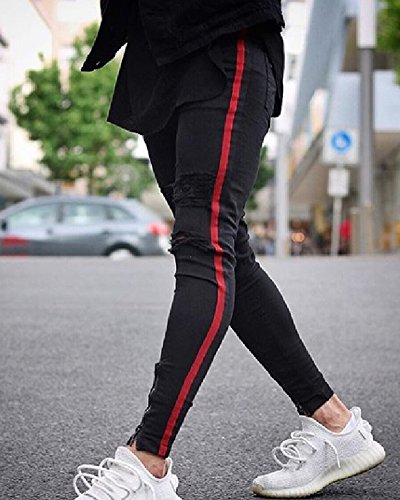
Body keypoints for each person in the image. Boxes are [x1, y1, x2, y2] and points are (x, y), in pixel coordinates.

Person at [72, 1, 385, 498]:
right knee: (228, 251)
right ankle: (336, 425)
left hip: (221, 35)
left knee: (204, 245)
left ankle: (148, 459)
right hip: (155, 58)